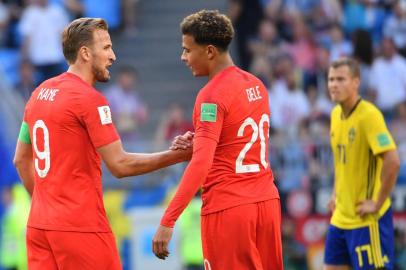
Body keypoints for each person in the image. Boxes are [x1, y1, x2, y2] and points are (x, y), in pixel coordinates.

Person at [13, 17, 191, 270]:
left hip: (40, 226)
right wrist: (179, 155)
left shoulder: (38, 94)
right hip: (81, 227)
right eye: (106, 48)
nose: (113, 56)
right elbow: (120, 165)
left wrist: (47, 206)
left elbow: (20, 160)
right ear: (85, 53)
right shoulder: (89, 100)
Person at [152, 10, 283, 270]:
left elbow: (201, 163)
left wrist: (168, 220)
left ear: (209, 51)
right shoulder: (256, 84)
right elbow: (235, 137)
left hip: (229, 208)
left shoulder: (211, 95)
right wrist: (202, 138)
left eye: (188, 50)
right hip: (266, 203)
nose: (183, 57)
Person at [324, 58, 400, 270]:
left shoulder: (369, 116)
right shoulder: (335, 114)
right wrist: (335, 193)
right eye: (331, 79)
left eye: (340, 79)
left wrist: (377, 202)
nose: (334, 84)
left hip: (366, 220)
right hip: (340, 218)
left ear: (356, 82)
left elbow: (392, 161)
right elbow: (341, 161)